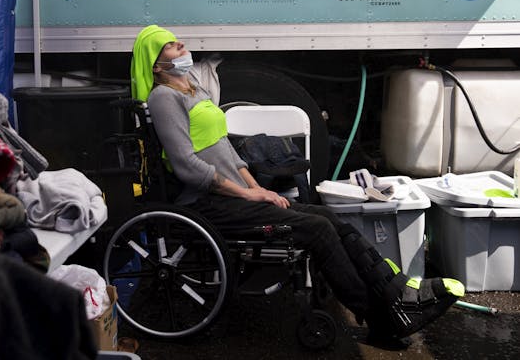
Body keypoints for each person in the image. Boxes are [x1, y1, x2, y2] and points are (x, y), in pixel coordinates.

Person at [130, 24, 464, 343]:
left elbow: (227, 150)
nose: (181, 46)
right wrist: (246, 192)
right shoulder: (164, 98)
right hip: (205, 204)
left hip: (233, 195)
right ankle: (380, 316)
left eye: (178, 41)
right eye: (171, 46)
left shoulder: (191, 87)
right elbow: (187, 167)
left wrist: (258, 189)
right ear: (157, 65)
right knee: (316, 230)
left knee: (329, 218)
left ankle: (396, 291)